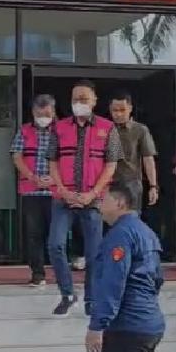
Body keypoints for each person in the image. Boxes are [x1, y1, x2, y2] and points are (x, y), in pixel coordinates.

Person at [86, 181, 165, 352]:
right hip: (149, 322)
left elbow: (112, 283)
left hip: (128, 325)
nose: (100, 204)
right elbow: (157, 278)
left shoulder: (120, 235)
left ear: (119, 203)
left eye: (104, 199)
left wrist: (97, 325)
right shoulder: (146, 232)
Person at [48, 79, 123, 316]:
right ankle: (67, 294)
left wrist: (92, 193)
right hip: (64, 198)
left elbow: (111, 166)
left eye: (83, 99)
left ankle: (92, 299)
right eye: (75, 99)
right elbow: (52, 162)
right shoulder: (58, 128)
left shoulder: (108, 128)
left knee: (93, 254)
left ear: (94, 101)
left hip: (93, 200)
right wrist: (63, 190)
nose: (79, 103)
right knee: (55, 244)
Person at [10, 94, 56, 287]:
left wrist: (54, 179)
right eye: (39, 114)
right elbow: (17, 157)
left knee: (57, 235)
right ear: (33, 113)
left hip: (56, 192)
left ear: (53, 112)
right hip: (31, 191)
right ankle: (38, 274)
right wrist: (32, 177)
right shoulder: (24, 131)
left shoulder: (62, 131)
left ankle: (61, 272)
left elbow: (69, 159)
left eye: (47, 114)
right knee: (34, 234)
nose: (43, 118)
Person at [110, 91, 159, 211]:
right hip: (108, 183)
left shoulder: (140, 130)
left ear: (130, 108)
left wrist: (153, 186)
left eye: (122, 110)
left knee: (131, 218)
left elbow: (148, 159)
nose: (118, 114)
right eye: (115, 110)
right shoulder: (106, 129)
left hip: (131, 183)